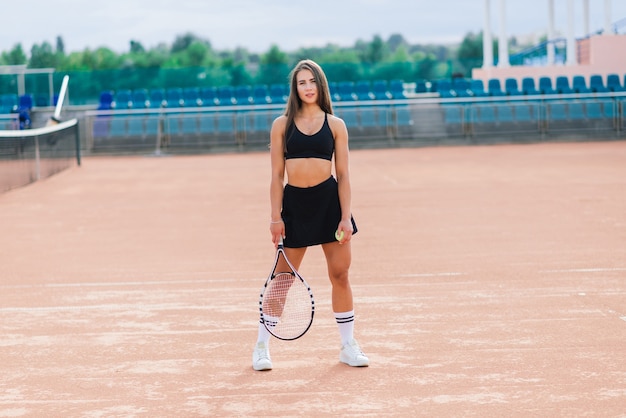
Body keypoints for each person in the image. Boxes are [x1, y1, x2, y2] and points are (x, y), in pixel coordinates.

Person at [252, 59, 369, 371]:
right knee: (281, 279)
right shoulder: (281, 125)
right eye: (301, 82)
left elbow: (343, 176)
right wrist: (275, 217)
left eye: (312, 82)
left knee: (340, 275)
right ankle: (261, 346)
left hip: (329, 205)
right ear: (295, 88)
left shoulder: (336, 125)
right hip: (295, 206)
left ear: (321, 85)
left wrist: (345, 217)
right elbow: (276, 176)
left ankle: (348, 345)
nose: (307, 87)